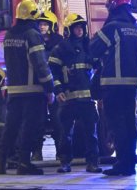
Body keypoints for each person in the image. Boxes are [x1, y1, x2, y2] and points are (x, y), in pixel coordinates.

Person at [0, 0, 54, 176]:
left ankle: (2, 162)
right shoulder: (32, 34)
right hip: (32, 91)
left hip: (14, 90)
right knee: (30, 128)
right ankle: (24, 163)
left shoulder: (9, 35)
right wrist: (50, 86)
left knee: (11, 127)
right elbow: (40, 63)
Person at [89, 0, 137, 176]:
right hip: (131, 86)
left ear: (113, 6)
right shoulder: (136, 28)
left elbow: (93, 49)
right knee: (130, 125)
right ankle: (130, 164)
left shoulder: (112, 27)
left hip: (113, 86)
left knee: (116, 124)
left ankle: (121, 164)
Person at [49, 13, 102, 173]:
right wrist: (58, 90)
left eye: (81, 27)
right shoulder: (61, 49)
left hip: (87, 99)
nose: (80, 30)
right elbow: (53, 71)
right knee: (65, 133)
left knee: (91, 133)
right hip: (68, 98)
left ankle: (93, 162)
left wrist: (98, 91)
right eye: (76, 27)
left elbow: (99, 67)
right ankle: (65, 162)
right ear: (69, 29)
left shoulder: (90, 46)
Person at [31, 10, 64, 161]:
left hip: (54, 87)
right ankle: (37, 151)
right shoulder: (34, 40)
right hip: (38, 87)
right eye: (40, 24)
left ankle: (60, 151)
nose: (42, 27)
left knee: (58, 121)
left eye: (45, 24)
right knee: (38, 121)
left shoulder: (59, 43)